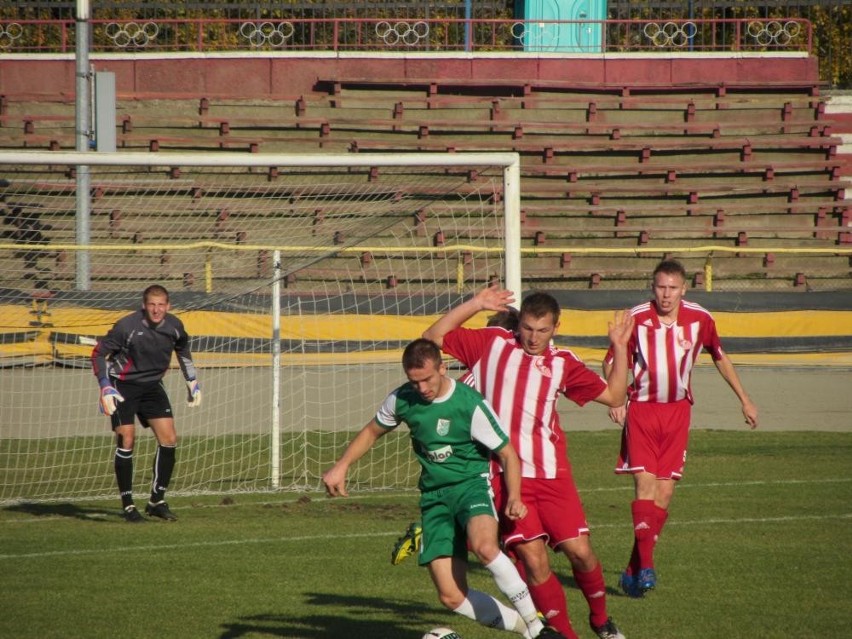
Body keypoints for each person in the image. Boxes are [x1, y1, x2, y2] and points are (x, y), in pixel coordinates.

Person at [423, 287, 633, 639]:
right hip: (504, 476)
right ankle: (566, 635)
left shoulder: (563, 363)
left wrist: (622, 347)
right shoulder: (492, 343)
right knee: (534, 560)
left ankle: (601, 620)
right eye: (528, 328)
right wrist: (476, 303)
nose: (533, 338)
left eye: (542, 330)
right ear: (518, 324)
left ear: (556, 327)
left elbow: (614, 395)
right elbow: (432, 337)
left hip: (551, 474)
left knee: (581, 553)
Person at [323, 338, 564, 639]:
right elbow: (373, 431)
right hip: (435, 499)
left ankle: (537, 626)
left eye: (427, 379)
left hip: (471, 487)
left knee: (485, 547)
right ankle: (527, 632)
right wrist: (342, 465)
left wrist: (514, 496)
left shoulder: (469, 404)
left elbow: (507, 453)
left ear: (442, 367)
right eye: (414, 381)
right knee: (451, 596)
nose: (422, 388)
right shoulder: (402, 400)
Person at [602, 259, 758, 597]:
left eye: (673, 288)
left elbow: (719, 355)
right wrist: (616, 400)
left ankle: (632, 570)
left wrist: (744, 398)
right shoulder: (637, 319)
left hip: (678, 414)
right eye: (660, 287)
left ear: (684, 289)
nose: (666, 294)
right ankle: (647, 567)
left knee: (665, 494)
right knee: (644, 486)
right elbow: (611, 360)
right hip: (642, 411)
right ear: (652, 287)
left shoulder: (701, 319)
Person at [391, 309, 521, 566]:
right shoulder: (491, 366)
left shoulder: (478, 368)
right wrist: (478, 301)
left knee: (499, 538)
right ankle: (529, 605)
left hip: (491, 448)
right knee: (503, 537)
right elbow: (432, 336)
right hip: (485, 455)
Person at [91, 284, 202, 523]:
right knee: (127, 440)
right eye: (152, 304)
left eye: (161, 304)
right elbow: (98, 353)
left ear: (168, 306)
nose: (156, 309)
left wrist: (191, 380)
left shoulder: (174, 326)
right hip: (122, 386)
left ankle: (156, 501)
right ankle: (128, 506)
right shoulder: (126, 326)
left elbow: (183, 350)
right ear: (144, 305)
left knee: (170, 439)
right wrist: (105, 385)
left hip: (152, 386)